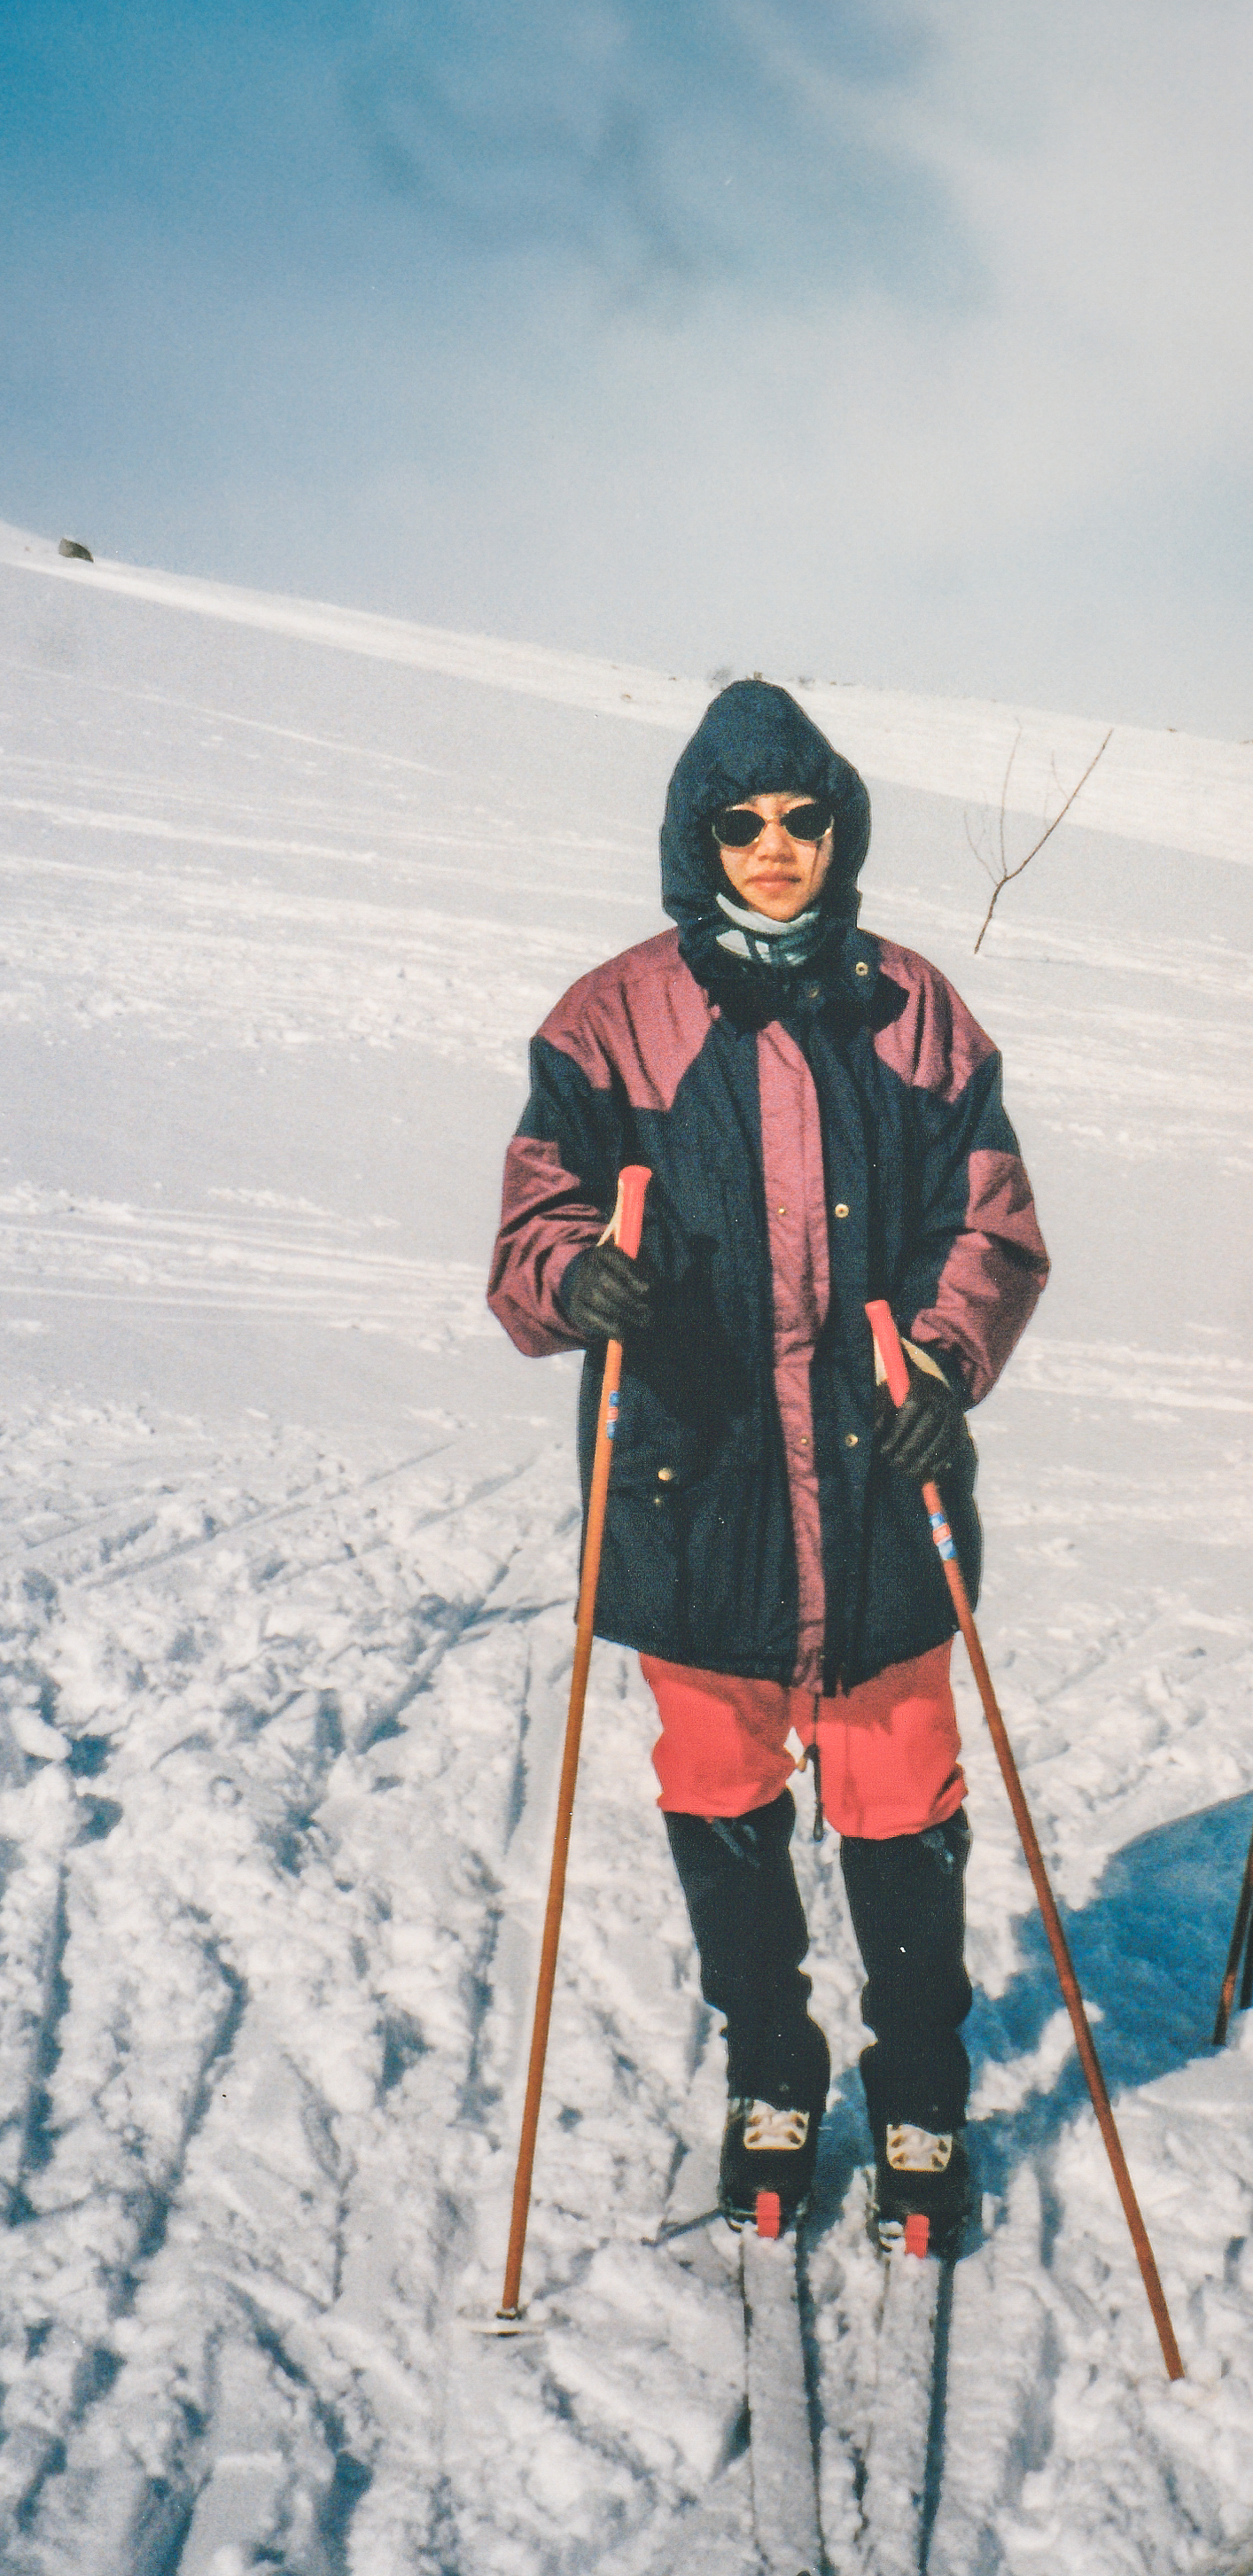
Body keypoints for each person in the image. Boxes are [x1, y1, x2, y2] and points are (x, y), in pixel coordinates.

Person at [489, 681, 1047, 2252]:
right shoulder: (610, 1018)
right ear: (697, 835)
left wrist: (941, 1355)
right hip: (696, 1475)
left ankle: (922, 2088)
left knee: (896, 1797)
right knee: (720, 1787)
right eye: (744, 824)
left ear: (839, 826)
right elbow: (533, 1224)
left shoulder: (912, 1006)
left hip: (883, 1472)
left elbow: (988, 1219)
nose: (779, 848)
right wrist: (571, 1281)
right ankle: (772, 2070)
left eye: (805, 819)